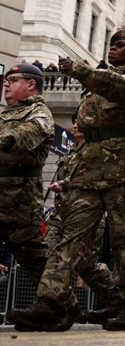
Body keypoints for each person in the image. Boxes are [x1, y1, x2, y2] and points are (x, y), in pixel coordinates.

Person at [9, 29, 125, 331]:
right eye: (111, 44)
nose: (112, 49)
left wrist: (80, 70)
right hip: (91, 165)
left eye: (120, 46)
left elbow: (121, 89)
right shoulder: (100, 79)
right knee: (68, 235)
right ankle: (52, 303)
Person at [43, 114, 113, 309]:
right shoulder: (69, 152)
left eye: (80, 122)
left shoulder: (100, 151)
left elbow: (100, 179)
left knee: (85, 265)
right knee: (49, 256)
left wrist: (66, 185)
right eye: (74, 122)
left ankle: (118, 298)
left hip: (87, 213)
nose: (75, 125)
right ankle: (59, 306)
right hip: (61, 212)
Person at [0, 63, 53, 289]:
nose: (6, 84)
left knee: (32, 255)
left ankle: (60, 303)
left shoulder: (39, 112)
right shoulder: (6, 114)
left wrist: (6, 139)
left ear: (31, 84)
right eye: (7, 80)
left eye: (13, 80)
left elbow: (28, 134)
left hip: (19, 196)